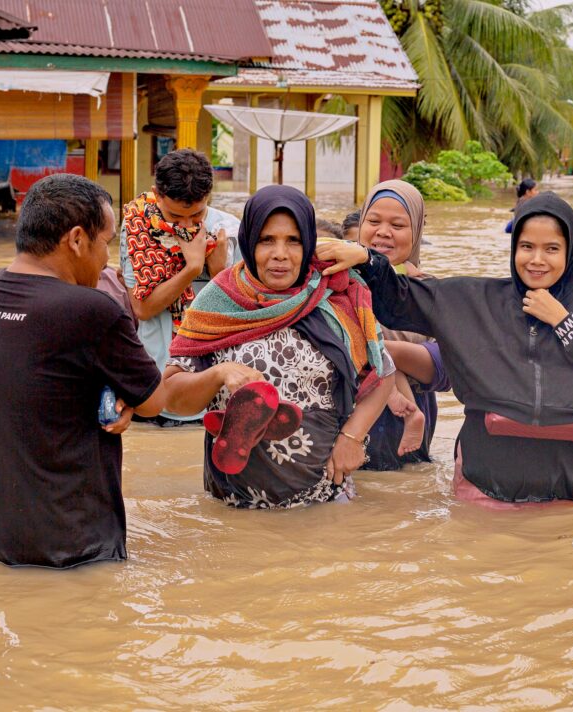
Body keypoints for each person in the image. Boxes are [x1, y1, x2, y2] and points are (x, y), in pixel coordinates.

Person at [318, 192, 573, 506]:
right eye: (527, 246)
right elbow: (400, 299)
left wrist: (563, 323)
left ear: (569, 252)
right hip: (484, 490)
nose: (537, 259)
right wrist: (366, 257)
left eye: (551, 249)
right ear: (514, 247)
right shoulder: (476, 300)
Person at [0, 174, 167, 568]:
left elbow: (45, 382)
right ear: (76, 239)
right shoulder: (92, 309)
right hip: (73, 545)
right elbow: (155, 402)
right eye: (106, 242)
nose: (109, 260)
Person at [162, 185, 394, 509]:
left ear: (309, 244)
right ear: (248, 241)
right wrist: (218, 374)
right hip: (232, 503)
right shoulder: (218, 300)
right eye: (266, 240)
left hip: (323, 497)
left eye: (293, 241)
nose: (280, 254)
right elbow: (171, 396)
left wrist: (353, 438)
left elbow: (383, 374)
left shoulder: (337, 296)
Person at [120, 148, 242, 426]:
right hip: (151, 386)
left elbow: (239, 318)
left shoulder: (230, 232)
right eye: (175, 218)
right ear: (157, 194)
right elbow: (143, 308)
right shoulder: (138, 229)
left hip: (208, 392)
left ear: (209, 196)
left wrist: (219, 273)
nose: (187, 226)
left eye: (197, 215)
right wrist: (192, 269)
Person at [357, 180, 451, 470]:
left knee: (407, 493)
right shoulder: (339, 283)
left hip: (412, 416)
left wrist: (388, 353)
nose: (383, 232)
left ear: (417, 232)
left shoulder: (430, 293)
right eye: (373, 221)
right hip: (353, 420)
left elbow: (452, 369)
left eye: (397, 225)